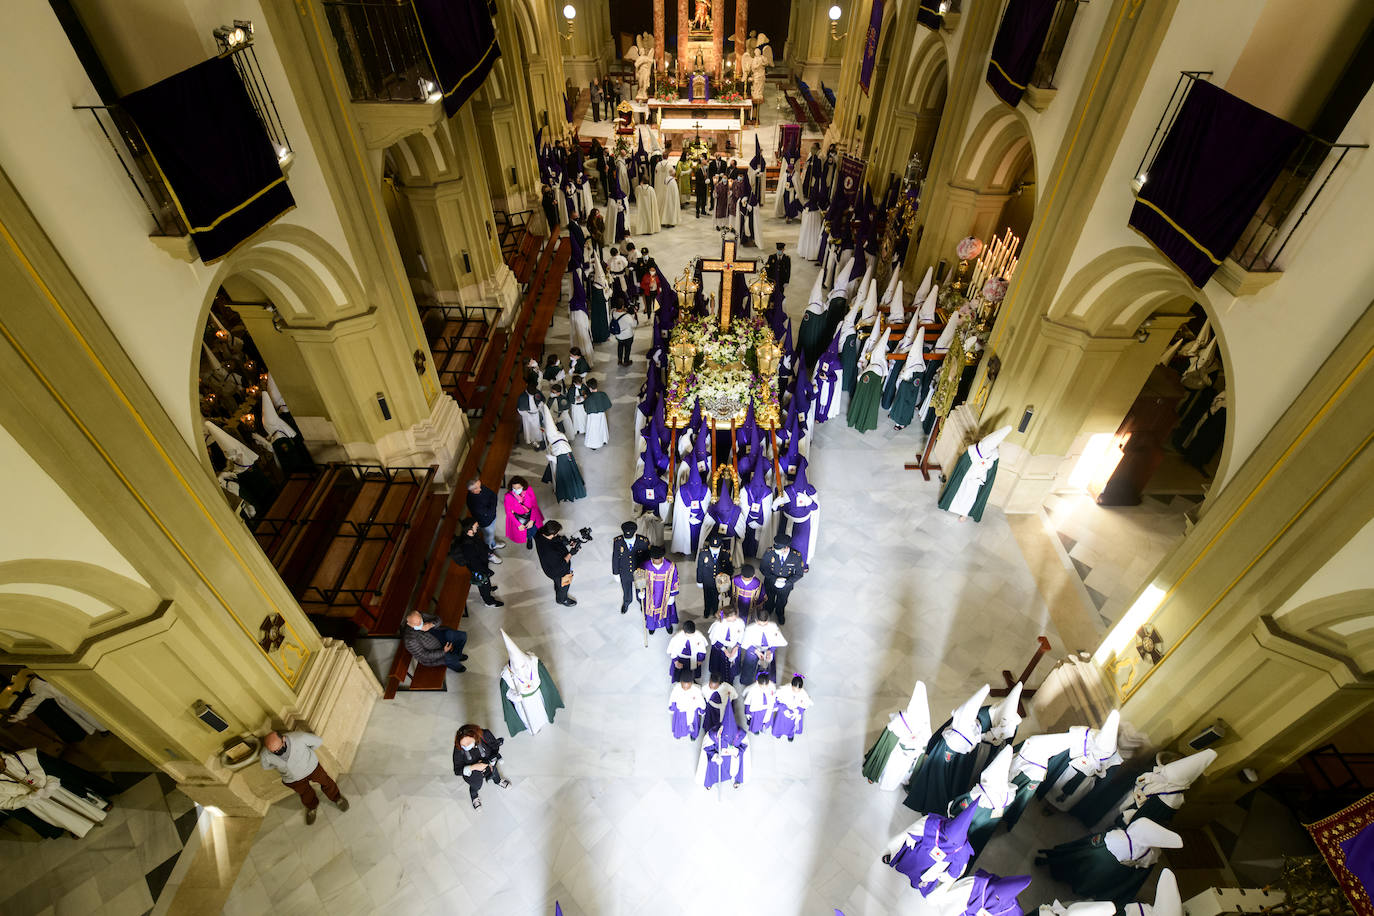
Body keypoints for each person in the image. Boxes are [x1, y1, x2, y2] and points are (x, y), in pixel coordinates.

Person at [905, 684, 991, 814]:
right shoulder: (974, 730)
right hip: (957, 757)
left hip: (945, 751)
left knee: (935, 776)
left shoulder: (956, 729)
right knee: (950, 779)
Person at [0, 748, 111, 838]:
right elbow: (6, 804)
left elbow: (47, 768)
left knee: (74, 795)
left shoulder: (22, 757)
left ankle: (98, 807)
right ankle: (78, 827)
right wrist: (30, 797)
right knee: (60, 814)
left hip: (54, 786)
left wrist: (50, 784)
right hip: (36, 802)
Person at [881, 805, 978, 896]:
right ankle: (896, 858)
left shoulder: (963, 851)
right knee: (908, 858)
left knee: (925, 876)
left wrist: (948, 875)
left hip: (934, 866)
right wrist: (913, 837)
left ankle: (916, 882)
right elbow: (918, 828)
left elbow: (957, 869)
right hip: (918, 852)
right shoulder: (935, 823)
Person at [260, 730, 349, 825]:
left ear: (284, 739)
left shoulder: (299, 737)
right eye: (274, 751)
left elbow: (318, 741)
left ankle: (337, 798)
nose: (278, 752)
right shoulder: (265, 754)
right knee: (305, 793)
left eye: (279, 748)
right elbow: (266, 766)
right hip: (293, 779)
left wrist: (308, 756)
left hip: (312, 769)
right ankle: (312, 807)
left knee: (326, 782)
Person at [862, 679, 933, 790]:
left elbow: (924, 740)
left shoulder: (920, 724)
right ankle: (877, 774)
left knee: (898, 771)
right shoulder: (905, 720)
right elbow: (889, 736)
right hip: (896, 753)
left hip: (907, 756)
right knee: (890, 768)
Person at [499, 630, 564, 736]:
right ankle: (532, 727)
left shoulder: (533, 663)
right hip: (524, 701)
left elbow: (544, 677)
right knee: (529, 716)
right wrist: (515, 696)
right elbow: (507, 693)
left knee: (541, 711)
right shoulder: (507, 675)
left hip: (537, 696)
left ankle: (544, 720)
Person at [453, 724, 509, 810]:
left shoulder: (485, 735)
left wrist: (492, 761)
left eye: (468, 743)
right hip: (473, 774)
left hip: (489, 765)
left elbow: (495, 747)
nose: (466, 746)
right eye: (463, 745)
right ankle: (474, 796)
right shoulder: (458, 748)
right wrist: (473, 767)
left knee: (494, 773)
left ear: (474, 736)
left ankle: (498, 781)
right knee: (475, 786)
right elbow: (457, 770)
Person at [450, 517, 504, 607]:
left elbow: (481, 545)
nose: (478, 526)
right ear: (469, 530)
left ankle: (488, 588)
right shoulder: (467, 546)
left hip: (482, 563)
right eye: (475, 526)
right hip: (478, 569)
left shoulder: (473, 536)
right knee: (483, 584)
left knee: (486, 582)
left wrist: (488, 550)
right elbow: (474, 563)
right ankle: (489, 602)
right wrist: (486, 571)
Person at [540, 403, 587, 502]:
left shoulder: (561, 445)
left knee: (562, 476)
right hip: (558, 458)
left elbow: (562, 461)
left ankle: (563, 491)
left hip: (563, 465)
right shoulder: (557, 436)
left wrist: (551, 458)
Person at [697, 703, 749, 789]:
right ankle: (710, 781)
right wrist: (715, 756)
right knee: (711, 764)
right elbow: (707, 748)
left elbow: (744, 746)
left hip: (733, 757)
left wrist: (736, 751)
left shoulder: (740, 734)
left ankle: (737, 779)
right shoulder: (713, 734)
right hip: (718, 755)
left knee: (740, 762)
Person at [760, 534, 805, 625]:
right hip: (770, 582)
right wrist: (773, 579)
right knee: (769, 599)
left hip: (786, 586)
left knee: (782, 601)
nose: (776, 550)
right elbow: (763, 568)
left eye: (778, 549)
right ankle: (769, 610)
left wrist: (787, 582)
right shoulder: (770, 552)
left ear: (786, 548)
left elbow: (799, 573)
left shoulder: (796, 556)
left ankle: (780, 613)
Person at [403, 609, 468, 673]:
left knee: (462, 636)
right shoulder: (410, 640)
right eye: (417, 624)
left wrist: (430, 625)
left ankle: (457, 655)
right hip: (435, 652)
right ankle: (457, 666)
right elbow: (424, 655)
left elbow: (438, 619)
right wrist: (443, 651)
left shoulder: (418, 615)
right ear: (409, 623)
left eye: (421, 621)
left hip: (440, 635)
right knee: (450, 657)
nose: (421, 624)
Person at [638, 544, 679, 634]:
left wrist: (672, 596)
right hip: (650, 596)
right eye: (655, 560)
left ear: (662, 557)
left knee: (666, 611)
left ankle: (668, 625)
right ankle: (652, 626)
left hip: (665, 596)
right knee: (650, 611)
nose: (657, 562)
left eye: (659, 560)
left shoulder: (670, 566)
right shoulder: (644, 565)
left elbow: (674, 580)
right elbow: (639, 580)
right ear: (651, 558)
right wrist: (641, 592)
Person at [535, 520, 578, 606]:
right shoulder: (549, 552)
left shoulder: (540, 533)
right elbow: (561, 564)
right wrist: (571, 553)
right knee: (564, 587)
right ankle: (562, 599)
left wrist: (567, 542)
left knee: (558, 583)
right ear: (552, 534)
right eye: (557, 533)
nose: (558, 534)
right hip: (558, 572)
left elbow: (555, 540)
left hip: (549, 566)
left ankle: (557, 586)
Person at [612, 520, 651, 613]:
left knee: (641, 591)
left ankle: (641, 602)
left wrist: (647, 572)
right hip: (624, 571)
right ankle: (626, 602)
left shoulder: (643, 541)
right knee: (626, 590)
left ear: (635, 533)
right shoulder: (618, 541)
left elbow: (647, 558)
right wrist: (615, 573)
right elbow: (615, 557)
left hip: (639, 571)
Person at [741, 609, 787, 685]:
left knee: (768, 665)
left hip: (767, 649)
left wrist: (770, 651)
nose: (762, 627)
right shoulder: (750, 628)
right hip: (754, 649)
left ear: (768, 621)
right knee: (749, 663)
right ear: (756, 620)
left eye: (765, 624)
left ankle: (766, 682)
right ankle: (747, 681)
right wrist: (756, 651)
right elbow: (746, 643)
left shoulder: (773, 626)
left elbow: (777, 640)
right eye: (760, 624)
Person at [695, 533, 734, 618]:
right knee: (707, 597)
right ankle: (707, 611)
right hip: (707, 580)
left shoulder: (725, 554)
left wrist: (727, 582)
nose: (715, 550)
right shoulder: (703, 554)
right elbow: (700, 568)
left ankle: (715, 611)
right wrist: (699, 580)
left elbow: (729, 569)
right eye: (713, 548)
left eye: (717, 548)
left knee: (716, 598)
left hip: (719, 582)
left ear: (721, 546)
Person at [465, 477, 506, 554]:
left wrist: (492, 507)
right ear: (473, 491)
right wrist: (492, 506)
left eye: (480, 485)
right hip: (486, 522)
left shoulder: (480, 487)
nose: (481, 489)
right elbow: (489, 512)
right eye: (479, 488)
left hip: (491, 516)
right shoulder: (474, 503)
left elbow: (493, 495)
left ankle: (493, 544)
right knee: (488, 536)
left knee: (491, 533)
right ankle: (489, 551)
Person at [503, 476, 544, 551]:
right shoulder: (508, 496)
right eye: (514, 488)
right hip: (520, 519)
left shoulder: (529, 490)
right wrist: (518, 525)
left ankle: (534, 537)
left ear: (523, 486)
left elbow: (534, 505)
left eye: (519, 487)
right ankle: (530, 539)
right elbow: (508, 512)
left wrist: (531, 520)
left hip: (532, 515)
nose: (516, 490)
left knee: (535, 530)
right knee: (527, 532)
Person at [771, 673, 813, 741]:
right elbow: (777, 701)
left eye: (798, 690)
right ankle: (778, 733)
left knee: (791, 726)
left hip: (794, 714)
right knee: (780, 724)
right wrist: (784, 709)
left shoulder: (803, 694)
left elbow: (804, 705)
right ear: (791, 685)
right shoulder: (784, 690)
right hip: (783, 713)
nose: (796, 692)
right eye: (794, 689)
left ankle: (790, 735)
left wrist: (798, 711)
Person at [668, 668, 707, 739]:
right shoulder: (676, 688)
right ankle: (679, 734)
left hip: (692, 710)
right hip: (681, 711)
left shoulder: (697, 689)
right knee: (680, 724)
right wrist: (672, 708)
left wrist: (701, 710)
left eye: (687, 686)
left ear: (691, 683)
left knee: (694, 724)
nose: (685, 688)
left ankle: (693, 735)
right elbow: (672, 699)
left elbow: (701, 701)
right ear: (681, 682)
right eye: (683, 686)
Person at [582, 378, 611, 449]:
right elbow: (608, 405)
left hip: (592, 416)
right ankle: (603, 440)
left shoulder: (589, 398)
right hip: (601, 414)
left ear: (590, 388)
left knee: (593, 430)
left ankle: (594, 445)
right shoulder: (603, 394)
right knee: (602, 427)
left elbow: (586, 409)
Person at [517, 383, 545, 449]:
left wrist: (541, 403)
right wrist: (528, 416)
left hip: (536, 413)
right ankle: (532, 441)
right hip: (527, 415)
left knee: (537, 427)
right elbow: (520, 409)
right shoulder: (522, 397)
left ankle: (538, 439)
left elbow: (542, 398)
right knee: (529, 429)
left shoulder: (536, 392)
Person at [612, 302, 636, 366]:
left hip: (618, 335)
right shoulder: (627, 316)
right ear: (622, 306)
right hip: (627, 336)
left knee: (620, 346)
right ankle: (626, 361)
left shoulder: (613, 312)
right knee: (627, 349)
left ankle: (620, 360)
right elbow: (634, 324)